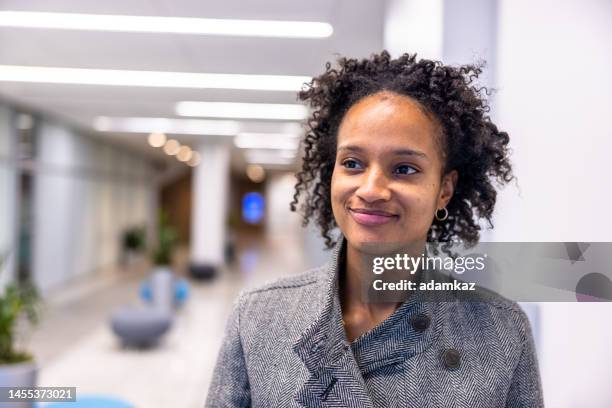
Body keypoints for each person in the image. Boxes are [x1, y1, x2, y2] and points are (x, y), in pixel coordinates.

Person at [205, 51, 544, 407]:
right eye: (352, 163)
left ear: (444, 189)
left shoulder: (501, 331)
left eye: (404, 169)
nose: (370, 189)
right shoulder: (261, 316)